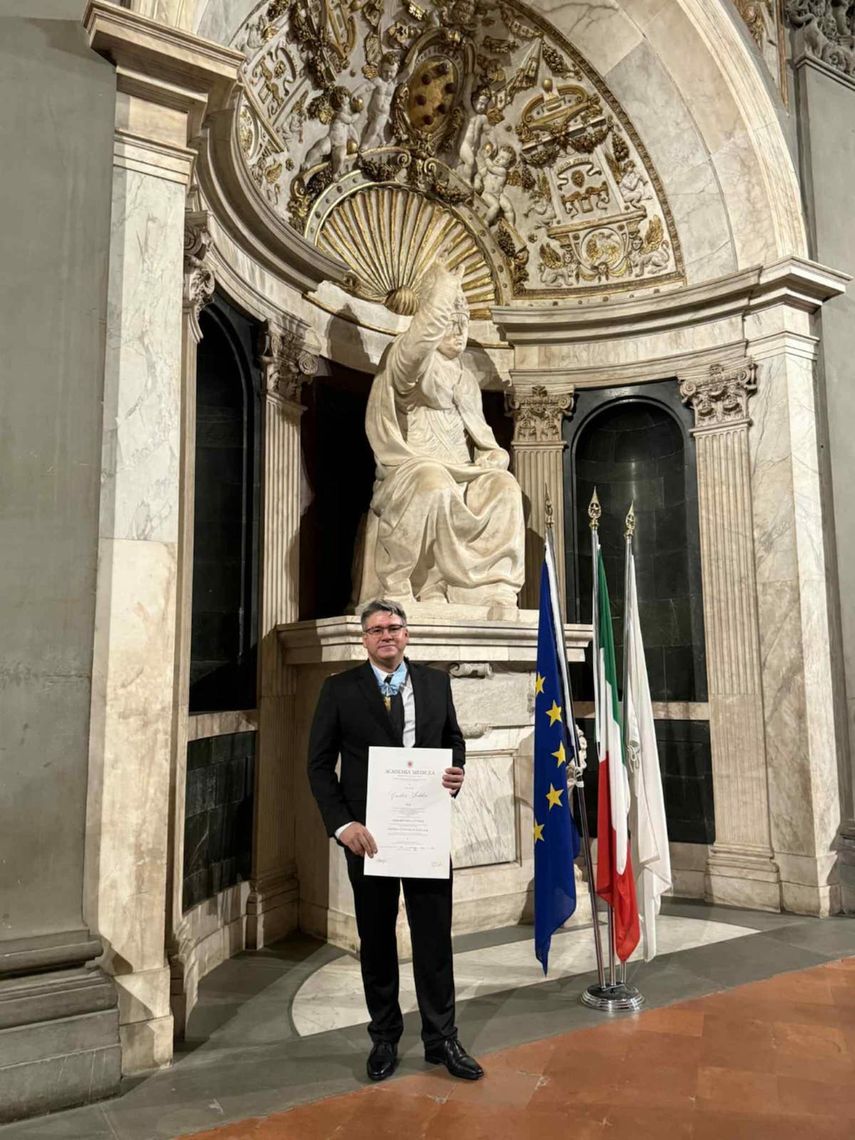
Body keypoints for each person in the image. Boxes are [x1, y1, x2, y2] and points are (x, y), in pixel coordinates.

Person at [307, 599, 484, 1083]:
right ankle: (384, 1036)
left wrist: (456, 771)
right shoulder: (339, 689)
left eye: (394, 627)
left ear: (407, 634)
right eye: (376, 629)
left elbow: (453, 740)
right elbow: (318, 766)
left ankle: (442, 1039)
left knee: (434, 938)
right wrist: (343, 826)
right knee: (377, 940)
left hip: (425, 834)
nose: (386, 634)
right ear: (364, 639)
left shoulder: (435, 683)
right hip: (369, 840)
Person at [358, 263, 525, 610]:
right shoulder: (409, 361)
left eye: (464, 323)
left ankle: (492, 588)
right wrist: (443, 295)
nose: (459, 331)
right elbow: (418, 344)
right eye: (451, 322)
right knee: (434, 484)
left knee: (505, 487)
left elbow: (483, 438)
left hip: (463, 471)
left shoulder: (466, 379)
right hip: (411, 467)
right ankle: (403, 585)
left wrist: (493, 458)